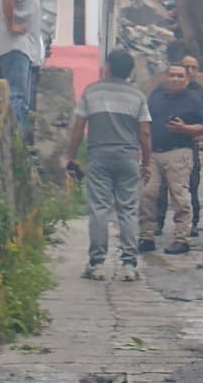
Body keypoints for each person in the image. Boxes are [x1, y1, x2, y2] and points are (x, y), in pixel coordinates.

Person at [65, 48, 151, 281]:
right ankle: (129, 265)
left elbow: (78, 128)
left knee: (99, 209)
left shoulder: (91, 91)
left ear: (108, 67)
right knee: (128, 210)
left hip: (99, 157)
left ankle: (97, 264)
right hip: (128, 158)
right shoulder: (137, 96)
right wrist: (146, 163)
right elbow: (144, 134)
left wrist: (71, 157)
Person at [138, 63, 203, 255]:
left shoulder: (194, 99)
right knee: (146, 194)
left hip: (179, 152)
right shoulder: (156, 97)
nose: (175, 79)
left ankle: (181, 238)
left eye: (180, 76)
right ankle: (146, 237)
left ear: (187, 79)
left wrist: (184, 129)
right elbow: (144, 122)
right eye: (172, 75)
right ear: (165, 77)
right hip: (153, 153)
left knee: (180, 196)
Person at [0, 0, 57, 138]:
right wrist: (11, 24)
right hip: (15, 47)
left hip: (25, 50)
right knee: (16, 96)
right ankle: (13, 139)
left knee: (23, 99)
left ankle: (17, 140)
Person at [156, 55, 203, 238]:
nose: (190, 71)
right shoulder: (160, 92)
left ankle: (192, 223)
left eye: (194, 68)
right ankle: (157, 222)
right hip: (162, 146)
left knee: (190, 185)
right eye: (187, 67)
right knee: (159, 187)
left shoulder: (202, 94)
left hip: (187, 145)